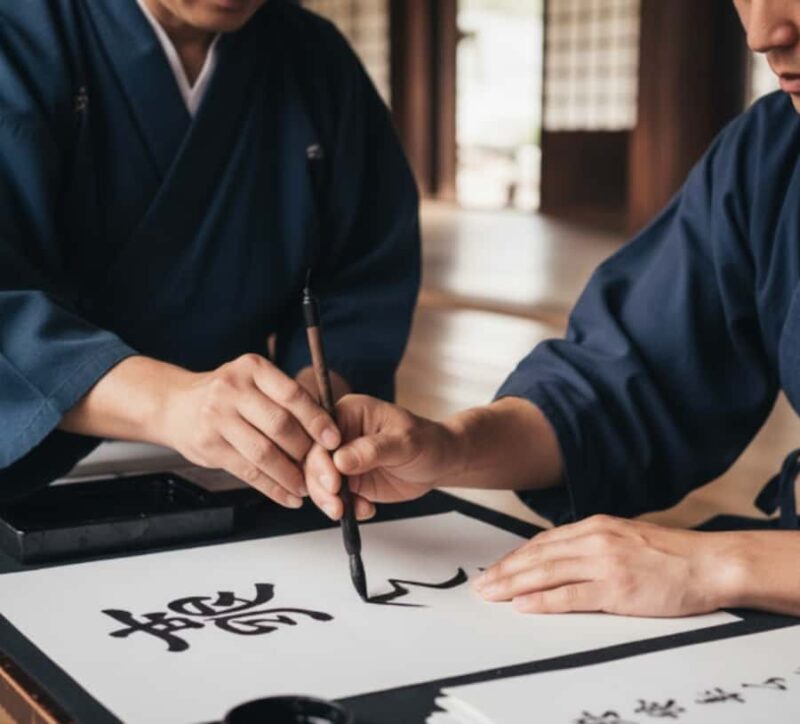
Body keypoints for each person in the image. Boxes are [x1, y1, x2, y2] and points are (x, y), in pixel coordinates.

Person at [306, 0, 800, 619]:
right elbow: (630, 384)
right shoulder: (775, 152)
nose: (763, 33)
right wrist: (448, 448)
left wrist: (727, 564)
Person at [0, 0, 420, 508]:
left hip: (241, 463)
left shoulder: (314, 57)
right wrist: (168, 402)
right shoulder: (19, 33)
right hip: (28, 452)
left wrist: (313, 400)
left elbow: (362, 270)